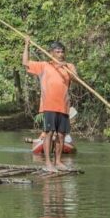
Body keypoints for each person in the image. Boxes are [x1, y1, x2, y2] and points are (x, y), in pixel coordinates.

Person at [23, 37, 76, 172]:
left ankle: (58, 161)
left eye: (62, 51)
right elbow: (25, 63)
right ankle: (48, 163)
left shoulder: (69, 67)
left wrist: (64, 67)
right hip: (49, 106)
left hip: (63, 106)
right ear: (51, 53)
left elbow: (76, 78)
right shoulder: (44, 66)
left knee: (61, 134)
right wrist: (27, 45)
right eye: (57, 52)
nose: (60, 54)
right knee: (49, 133)